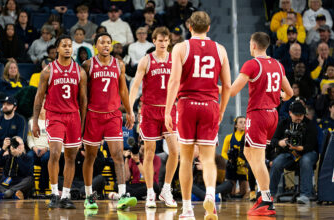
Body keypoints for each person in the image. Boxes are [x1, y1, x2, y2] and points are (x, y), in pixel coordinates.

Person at [165, 11, 231, 219]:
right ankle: (210, 194)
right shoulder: (220, 49)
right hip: (210, 104)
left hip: (186, 105)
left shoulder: (180, 48)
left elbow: (174, 81)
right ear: (209, 28)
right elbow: (227, 85)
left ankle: (187, 209)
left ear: (189, 27)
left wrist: (167, 110)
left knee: (185, 159)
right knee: (208, 158)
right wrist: (221, 110)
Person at [230, 32, 293, 216]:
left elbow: (233, 91)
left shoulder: (252, 64)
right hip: (272, 114)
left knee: (256, 158)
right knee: (250, 153)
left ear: (254, 45)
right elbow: (289, 93)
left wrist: (209, 87)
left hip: (258, 115)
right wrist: (277, 96)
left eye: (250, 43)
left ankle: (266, 199)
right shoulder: (277, 64)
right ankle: (262, 193)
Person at [81, 32, 137, 210]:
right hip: (93, 116)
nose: (106, 45)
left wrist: (129, 111)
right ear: (95, 45)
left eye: (108, 43)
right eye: (102, 42)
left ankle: (122, 194)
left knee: (118, 156)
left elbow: (123, 91)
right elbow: (82, 96)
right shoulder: (88, 64)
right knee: (90, 157)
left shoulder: (119, 64)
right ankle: (89, 196)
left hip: (113, 116)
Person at [32, 35, 87, 209]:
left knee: (71, 157)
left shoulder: (80, 71)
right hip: (54, 116)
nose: (67, 48)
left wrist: (83, 124)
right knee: (55, 153)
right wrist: (35, 122)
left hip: (73, 116)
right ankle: (54, 193)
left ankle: (66, 195)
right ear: (57, 49)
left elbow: (84, 100)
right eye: (64, 45)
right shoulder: (48, 70)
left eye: (70, 46)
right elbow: (39, 97)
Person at [129, 27, 178, 208]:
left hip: (169, 110)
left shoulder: (175, 60)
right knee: (149, 152)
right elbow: (135, 86)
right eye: (160, 40)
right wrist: (129, 107)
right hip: (149, 110)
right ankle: (150, 192)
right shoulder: (146, 60)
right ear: (154, 41)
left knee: (174, 152)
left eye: (166, 41)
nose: (163, 43)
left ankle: (166, 189)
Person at [270, 101, 318, 204]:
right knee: (277, 162)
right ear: (290, 113)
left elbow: (311, 146)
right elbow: (273, 141)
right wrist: (280, 142)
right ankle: (270, 195)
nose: (299, 117)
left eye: (301, 115)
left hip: (307, 152)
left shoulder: (310, 124)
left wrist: (300, 148)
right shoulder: (283, 123)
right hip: (289, 153)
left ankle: (306, 195)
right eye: (296, 115)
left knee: (305, 161)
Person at [0, 136, 33, 200]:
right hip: (5, 185)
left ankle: (3, 194)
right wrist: (3, 149)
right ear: (11, 146)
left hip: (18, 185)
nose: (18, 146)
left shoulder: (28, 158)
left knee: (30, 180)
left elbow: (26, 172)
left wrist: (18, 156)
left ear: (23, 146)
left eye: (20, 144)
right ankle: (9, 193)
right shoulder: (7, 157)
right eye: (15, 144)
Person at [221, 116, 249, 198]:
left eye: (245, 122)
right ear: (236, 125)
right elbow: (223, 152)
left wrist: (243, 161)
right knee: (230, 193)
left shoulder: (248, 137)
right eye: (240, 122)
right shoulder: (229, 137)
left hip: (243, 166)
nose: (243, 124)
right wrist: (229, 159)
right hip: (232, 166)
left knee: (244, 193)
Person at [27, 104, 49, 194]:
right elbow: (29, 138)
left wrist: (47, 148)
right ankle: (30, 187)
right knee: (28, 157)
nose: (41, 109)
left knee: (45, 159)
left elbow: (55, 138)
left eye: (43, 107)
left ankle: (42, 189)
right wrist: (34, 147)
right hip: (35, 148)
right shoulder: (31, 122)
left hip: (48, 149)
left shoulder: (51, 121)